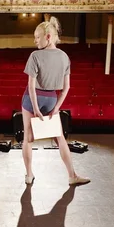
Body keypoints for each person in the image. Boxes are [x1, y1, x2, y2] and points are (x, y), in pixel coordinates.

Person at [21, 16, 90, 186]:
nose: (35, 41)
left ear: (48, 37)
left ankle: (29, 175)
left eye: (38, 37)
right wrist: (57, 108)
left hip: (32, 99)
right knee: (60, 138)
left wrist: (36, 108)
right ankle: (72, 175)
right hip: (52, 99)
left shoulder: (35, 55)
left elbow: (31, 86)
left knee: (27, 139)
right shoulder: (64, 57)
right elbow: (66, 88)